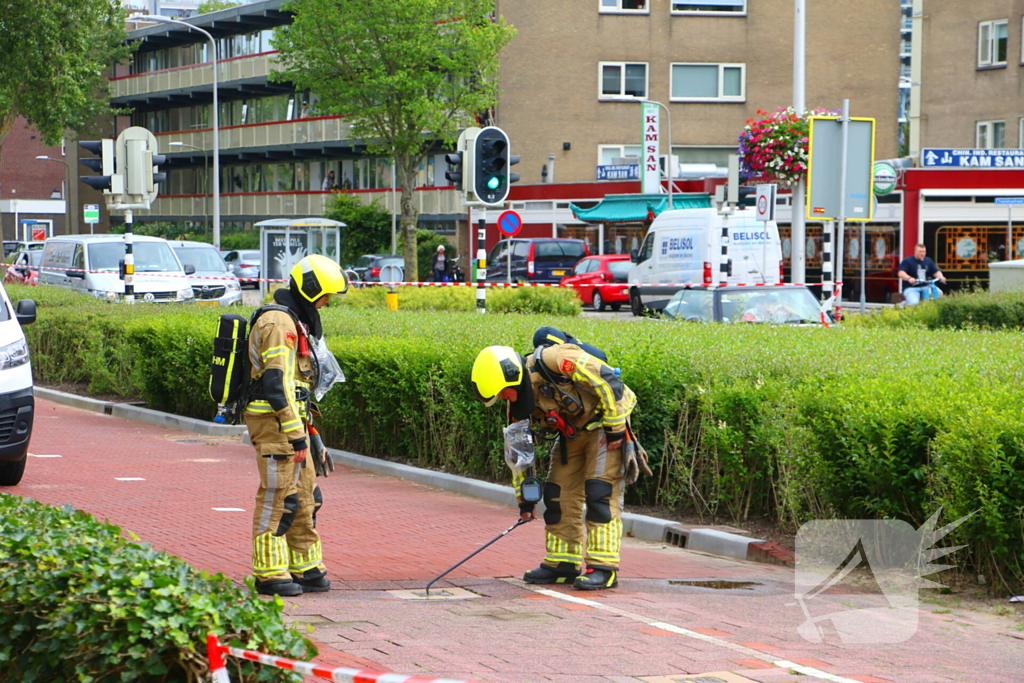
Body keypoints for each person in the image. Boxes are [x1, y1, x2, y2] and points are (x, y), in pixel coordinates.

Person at [470, 341, 648, 591]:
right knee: (557, 495)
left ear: (513, 378)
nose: (502, 398)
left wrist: (616, 429)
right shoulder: (518, 403)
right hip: (571, 435)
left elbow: (608, 382)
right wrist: (525, 499)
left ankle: (603, 568)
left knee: (600, 493)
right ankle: (563, 564)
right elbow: (520, 455)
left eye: (502, 393)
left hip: (604, 426)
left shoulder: (557, 359)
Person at [244, 254, 349, 597]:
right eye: (325, 295)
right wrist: (294, 433)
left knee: (306, 496)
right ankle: (269, 572)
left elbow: (298, 385)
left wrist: (310, 435)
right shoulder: (278, 323)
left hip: (294, 423)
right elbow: (276, 384)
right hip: (274, 425)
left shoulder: (296, 320)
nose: (327, 302)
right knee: (279, 496)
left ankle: (306, 567)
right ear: (310, 289)